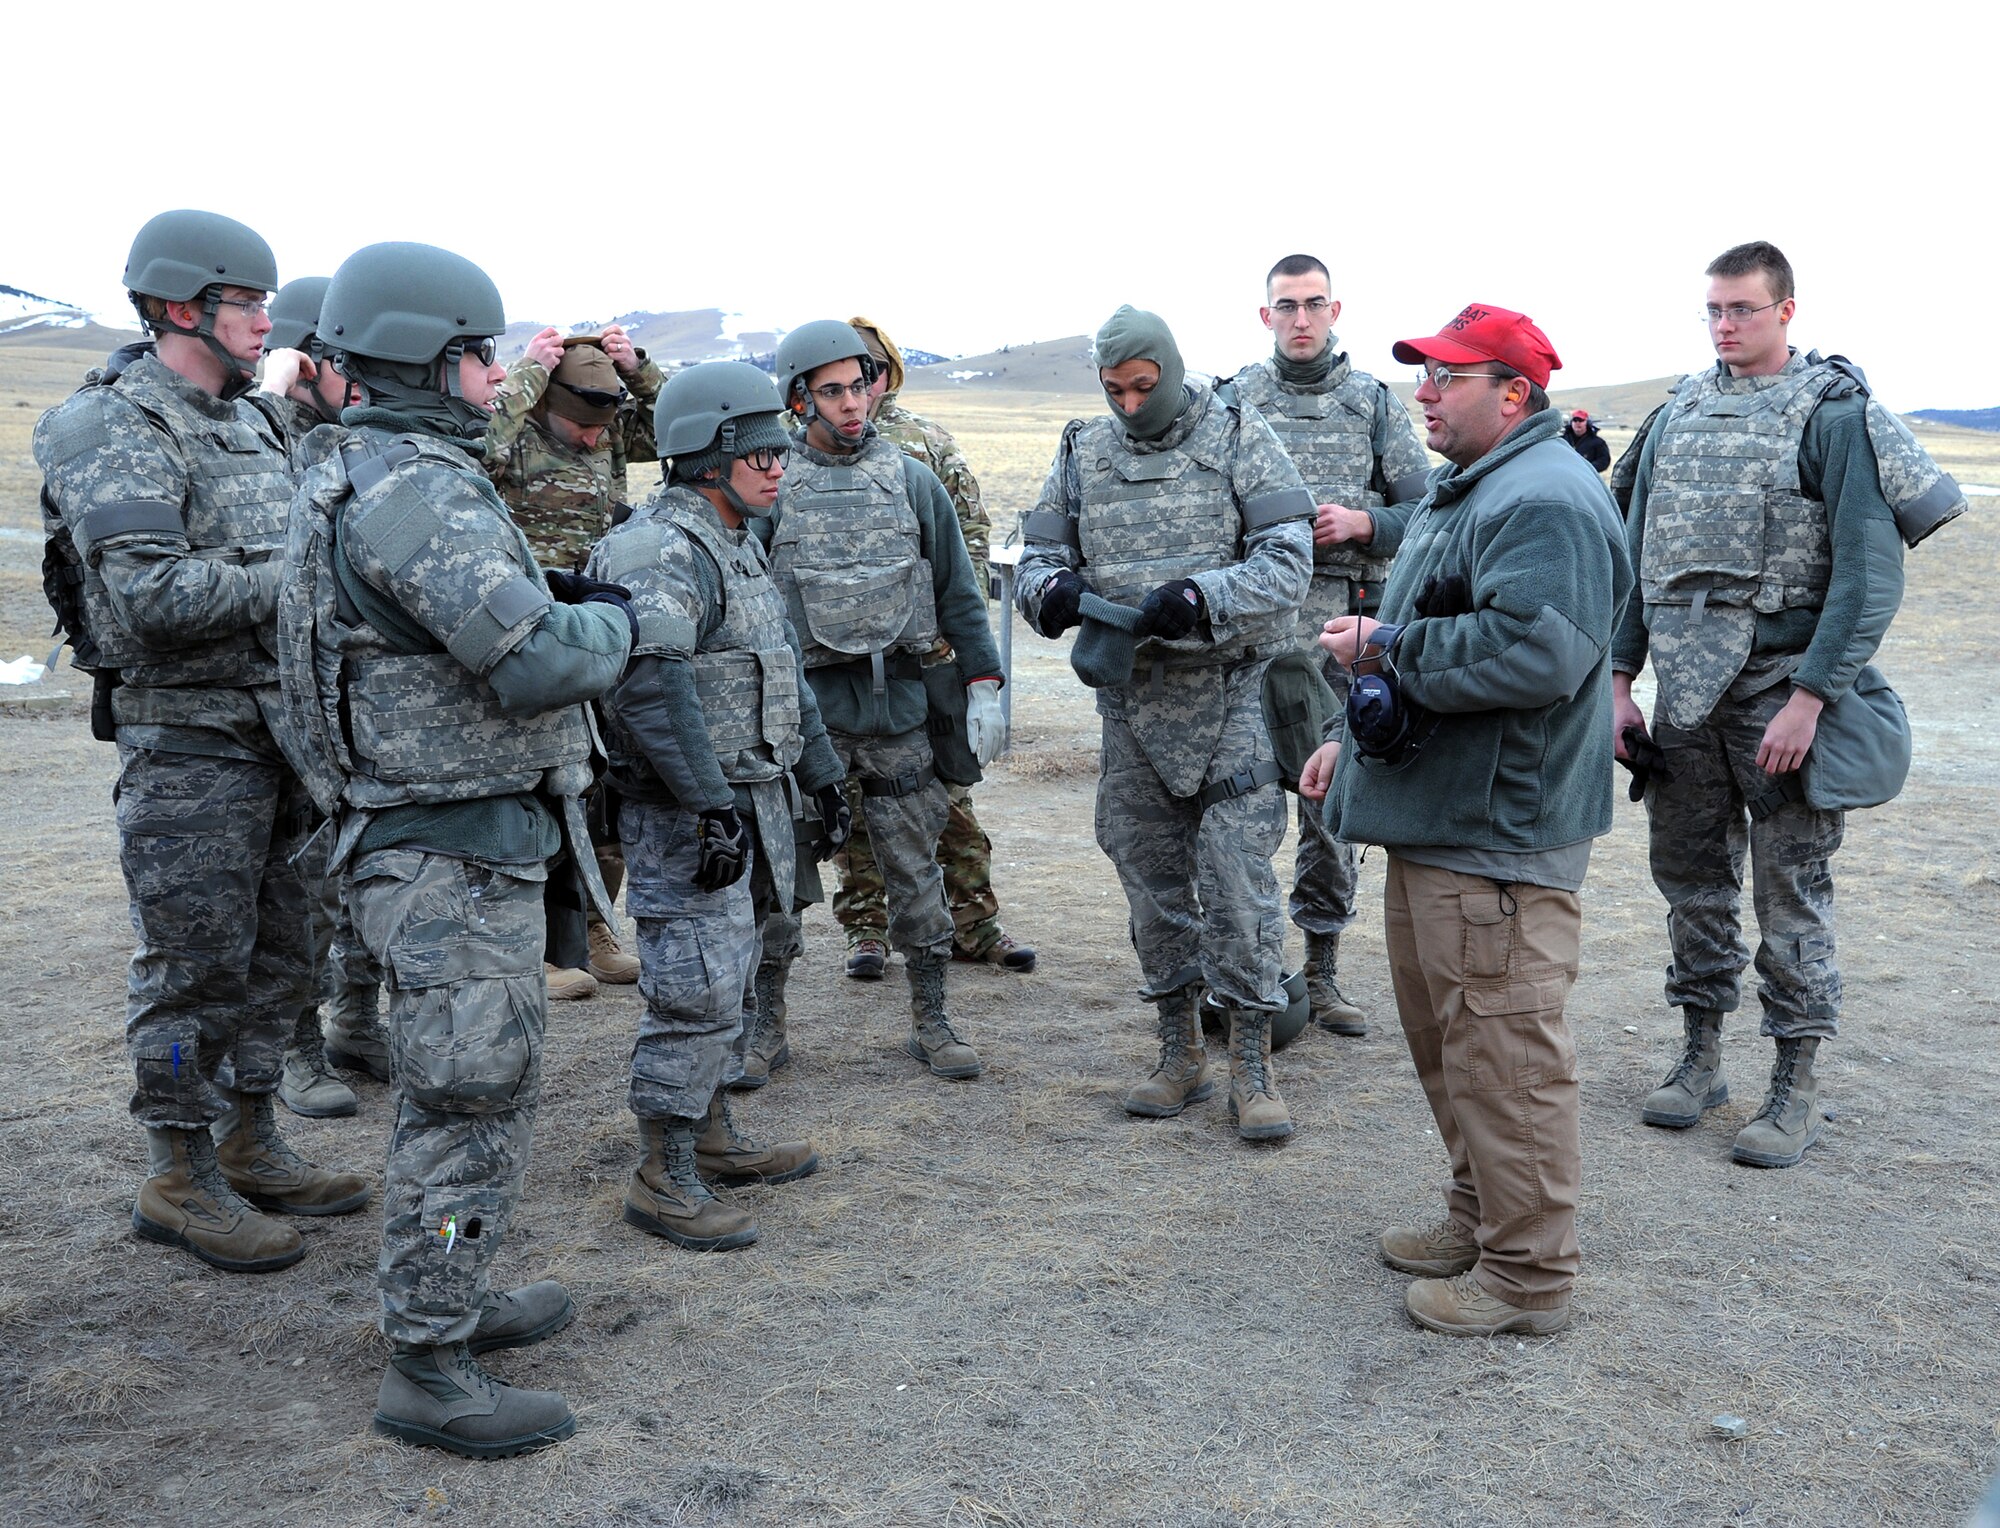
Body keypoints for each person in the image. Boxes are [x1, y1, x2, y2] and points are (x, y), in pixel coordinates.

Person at [280, 240, 633, 1456]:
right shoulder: (414, 488)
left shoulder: (363, 470)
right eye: (480, 355)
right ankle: (426, 1361)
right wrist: (609, 621)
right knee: (466, 1101)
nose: (494, 376)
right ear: (429, 359)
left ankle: (455, 1292)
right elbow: (534, 657)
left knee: (471, 1092)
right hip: (443, 852)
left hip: (441, 838)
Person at [33, 210, 370, 1276]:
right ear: (185, 307)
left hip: (284, 742)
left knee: (283, 955)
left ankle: (249, 1134)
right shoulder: (111, 425)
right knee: (192, 971)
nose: (269, 323)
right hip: (191, 751)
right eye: (250, 303)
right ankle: (178, 1167)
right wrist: (307, 587)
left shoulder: (256, 424)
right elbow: (149, 594)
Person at [1303, 303, 1631, 1336]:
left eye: (1447, 377)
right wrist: (1346, 729)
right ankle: (1478, 1216)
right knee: (1455, 1052)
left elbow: (1540, 654)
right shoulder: (1476, 487)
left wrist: (1385, 646)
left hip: (1497, 836)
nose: (1424, 394)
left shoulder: (1542, 496)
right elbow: (1443, 624)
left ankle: (1527, 1279)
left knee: (1506, 1063)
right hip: (1442, 822)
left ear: (1513, 393)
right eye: (1422, 376)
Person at [1613, 241, 1906, 1168]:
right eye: (1714, 310)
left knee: (1791, 898)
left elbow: (1867, 574)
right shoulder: (1676, 417)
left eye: (1743, 309)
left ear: (1786, 309)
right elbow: (1633, 557)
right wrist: (1620, 685)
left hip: (1782, 696)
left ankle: (1795, 1084)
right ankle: (1700, 1058)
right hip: (1684, 702)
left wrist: (1812, 699)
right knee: (1692, 884)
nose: (1725, 325)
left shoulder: (1832, 415)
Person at [1017, 305, 1313, 1140]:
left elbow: (1290, 560)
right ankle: (1178, 1053)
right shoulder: (1083, 448)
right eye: (1114, 390)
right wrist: (1056, 593)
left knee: (1236, 882)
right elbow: (1037, 555)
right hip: (1132, 703)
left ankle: (1251, 1068)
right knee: (1151, 882)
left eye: (1144, 387)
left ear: (1172, 373)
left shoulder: (1237, 432)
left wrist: (1201, 597)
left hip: (1231, 695)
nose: (1130, 405)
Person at [588, 361, 846, 1249]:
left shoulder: (735, 538)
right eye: (759, 450)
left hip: (749, 801)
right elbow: (651, 689)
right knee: (694, 988)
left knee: (736, 975)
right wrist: (705, 804)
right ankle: (665, 1173)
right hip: (688, 814)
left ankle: (712, 1132)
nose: (779, 464)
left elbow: (780, 665)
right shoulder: (658, 547)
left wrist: (823, 774)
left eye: (780, 447)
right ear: (706, 455)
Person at [765, 320, 1005, 1081]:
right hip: (808, 715)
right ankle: (763, 1024)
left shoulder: (910, 480)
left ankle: (932, 1018)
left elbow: (959, 594)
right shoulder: (774, 485)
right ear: (800, 397)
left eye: (859, 384)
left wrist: (984, 683)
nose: (851, 403)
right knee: (784, 875)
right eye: (831, 390)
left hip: (897, 706)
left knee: (915, 867)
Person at [1219, 254, 1430, 1037]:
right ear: (1264, 315)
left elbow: (1429, 513)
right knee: (1237, 814)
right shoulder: (1233, 400)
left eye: (1313, 305)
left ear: (1335, 311)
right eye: (1286, 306)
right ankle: (1245, 972)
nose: (1300, 320)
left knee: (1328, 810)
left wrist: (1365, 524)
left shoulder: (1370, 402)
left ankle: (1324, 971)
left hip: (1336, 636)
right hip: (1249, 642)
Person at [830, 316, 1034, 982]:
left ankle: (976, 924)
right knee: (857, 798)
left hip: (929, 653)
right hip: (848, 660)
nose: (860, 389)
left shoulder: (925, 444)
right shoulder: (801, 453)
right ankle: (866, 929)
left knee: (949, 791)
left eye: (872, 371)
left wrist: (962, 644)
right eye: (843, 376)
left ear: (887, 374)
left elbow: (967, 542)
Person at [483, 325, 665, 1000]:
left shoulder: (611, 430)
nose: (593, 439)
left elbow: (677, 426)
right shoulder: (514, 434)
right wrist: (528, 374)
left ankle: (593, 928)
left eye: (602, 426)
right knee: (538, 791)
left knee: (604, 792)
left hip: (598, 631)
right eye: (579, 426)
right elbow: (476, 446)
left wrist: (637, 369)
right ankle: (534, 944)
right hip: (527, 634)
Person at [253, 276, 391, 1120]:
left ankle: (357, 1021)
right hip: (279, 703)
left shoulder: (356, 440)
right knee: (302, 890)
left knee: (366, 874)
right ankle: (300, 1049)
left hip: (357, 697)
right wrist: (272, 392)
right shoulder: (264, 440)